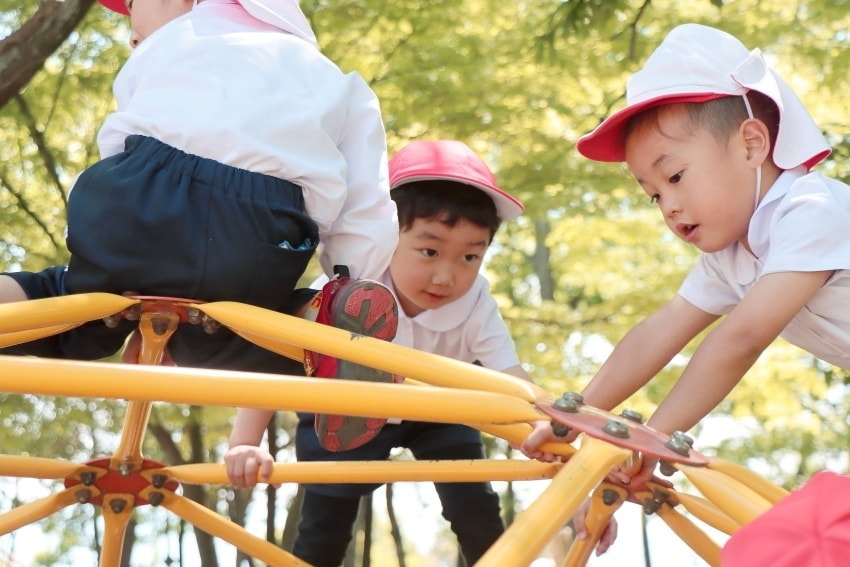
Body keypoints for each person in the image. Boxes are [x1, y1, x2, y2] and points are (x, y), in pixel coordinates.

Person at [0, 0, 399, 424]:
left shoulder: (170, 41)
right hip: (258, 232)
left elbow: (121, 142)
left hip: (136, 194)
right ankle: (321, 319)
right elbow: (366, 208)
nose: (130, 32)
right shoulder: (338, 82)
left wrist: (117, 270)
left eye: (132, 5)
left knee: (71, 304)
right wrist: (346, 277)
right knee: (235, 335)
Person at [226, 140, 616, 565]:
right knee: (323, 528)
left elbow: (516, 383)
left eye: (470, 256)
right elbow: (273, 363)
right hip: (350, 408)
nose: (446, 275)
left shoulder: (477, 303)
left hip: (440, 410)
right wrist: (245, 443)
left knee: (478, 514)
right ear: (387, 236)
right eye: (430, 251)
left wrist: (571, 474)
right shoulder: (348, 289)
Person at [523, 23, 846, 492]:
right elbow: (659, 332)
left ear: (751, 145)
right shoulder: (732, 255)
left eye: (675, 176)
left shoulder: (811, 211)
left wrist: (650, 439)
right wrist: (572, 418)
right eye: (653, 195)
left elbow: (741, 339)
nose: (668, 206)